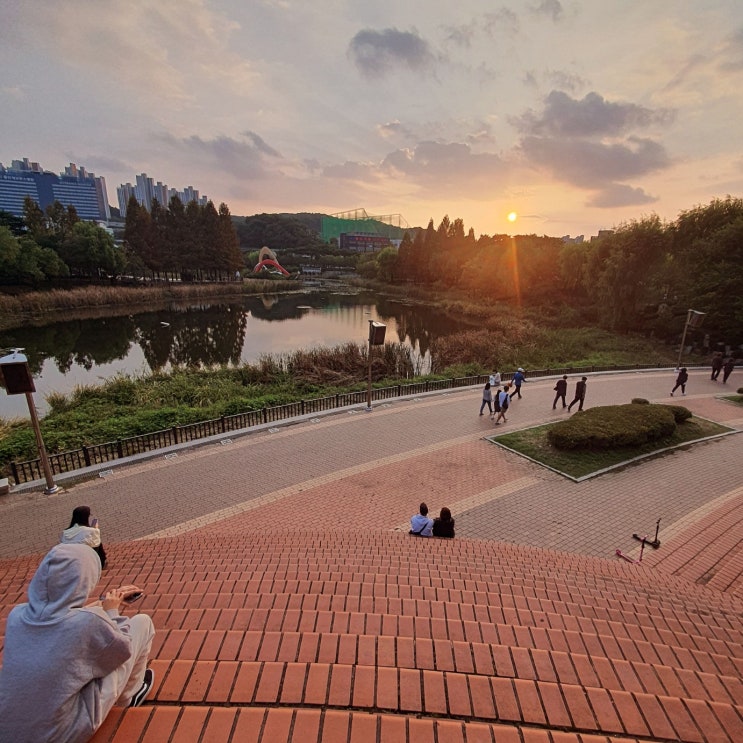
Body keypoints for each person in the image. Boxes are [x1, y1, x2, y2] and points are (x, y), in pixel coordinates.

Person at [0, 543, 155, 743]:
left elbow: (58, 619)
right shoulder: (89, 623)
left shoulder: (16, 616)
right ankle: (130, 696)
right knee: (142, 623)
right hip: (57, 735)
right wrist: (112, 612)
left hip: (8, 731)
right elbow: (122, 649)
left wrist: (102, 603)